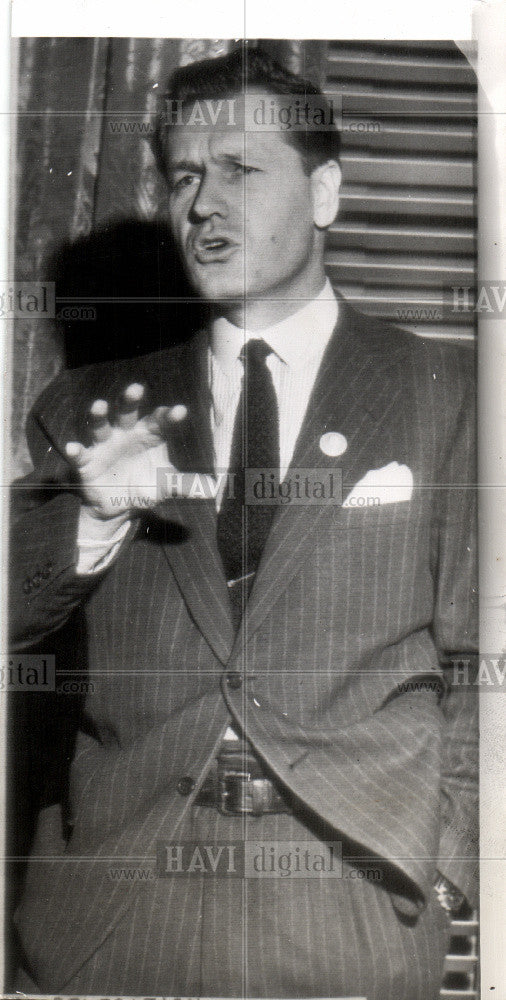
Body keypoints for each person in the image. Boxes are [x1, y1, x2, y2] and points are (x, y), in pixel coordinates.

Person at [10, 46, 477, 1000]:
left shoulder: (449, 394)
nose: (203, 204)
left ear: (326, 192)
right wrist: (94, 521)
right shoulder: (88, 406)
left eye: (240, 169)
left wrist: (449, 854)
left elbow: (488, 655)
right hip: (115, 911)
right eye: (185, 176)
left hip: (352, 906)